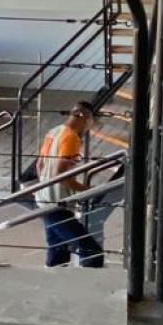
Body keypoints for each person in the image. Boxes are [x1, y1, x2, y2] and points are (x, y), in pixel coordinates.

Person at [34, 102, 104, 268]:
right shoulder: (71, 137)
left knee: (58, 251)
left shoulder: (54, 132)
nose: (88, 127)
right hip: (57, 202)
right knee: (92, 251)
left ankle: (54, 277)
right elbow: (61, 175)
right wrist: (86, 190)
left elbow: (39, 165)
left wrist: (45, 185)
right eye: (89, 121)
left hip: (43, 199)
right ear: (83, 117)